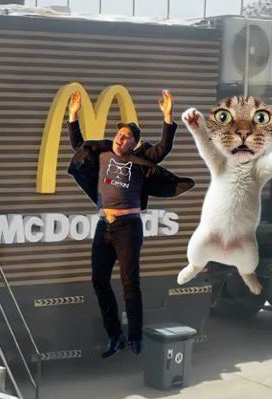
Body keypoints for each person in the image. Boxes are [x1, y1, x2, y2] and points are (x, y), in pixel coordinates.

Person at [66, 90, 194, 357]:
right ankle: (115, 335)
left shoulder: (140, 161)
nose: (119, 138)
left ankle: (135, 336)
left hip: (128, 227)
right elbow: (78, 145)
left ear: (133, 143)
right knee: (99, 281)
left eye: (125, 136)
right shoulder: (101, 154)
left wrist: (168, 117)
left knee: (129, 282)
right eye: (119, 134)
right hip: (104, 225)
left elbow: (163, 148)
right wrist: (73, 115)